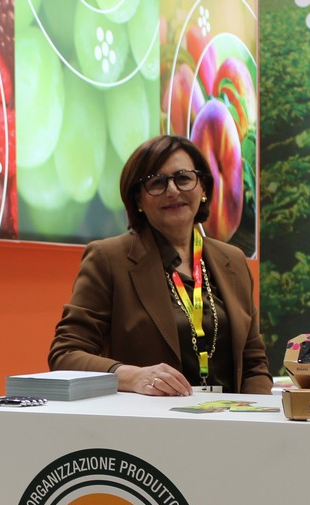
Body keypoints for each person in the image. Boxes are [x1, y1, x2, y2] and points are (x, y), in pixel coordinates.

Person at [48, 135, 272, 396]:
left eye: (183, 178)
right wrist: (131, 376)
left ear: (203, 188)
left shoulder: (233, 261)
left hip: (232, 418)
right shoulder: (108, 259)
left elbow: (254, 363)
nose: (172, 190)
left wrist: (257, 412)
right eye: (157, 182)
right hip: (148, 419)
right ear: (138, 200)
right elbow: (65, 354)